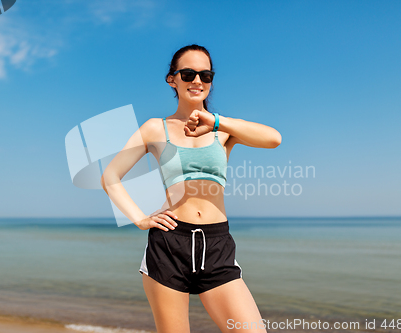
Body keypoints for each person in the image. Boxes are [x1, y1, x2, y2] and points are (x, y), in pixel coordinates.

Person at [101, 44, 281, 333]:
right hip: (170, 245)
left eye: (205, 75)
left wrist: (215, 121)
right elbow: (110, 177)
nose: (197, 81)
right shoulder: (154, 128)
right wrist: (140, 219)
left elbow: (274, 139)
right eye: (188, 74)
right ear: (172, 79)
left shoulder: (223, 129)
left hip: (217, 245)